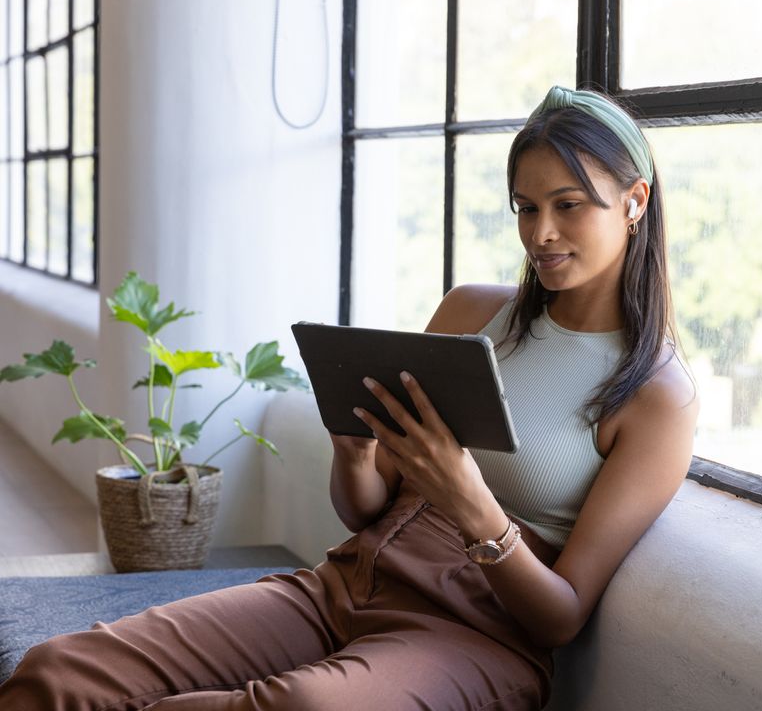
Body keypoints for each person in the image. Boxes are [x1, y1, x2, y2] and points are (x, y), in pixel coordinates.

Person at [0, 85, 699, 710]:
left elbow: (562, 618)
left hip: (476, 639)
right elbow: (364, 509)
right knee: (61, 672)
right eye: (526, 207)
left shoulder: (657, 397)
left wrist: (471, 505)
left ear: (635, 202)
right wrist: (357, 456)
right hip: (346, 585)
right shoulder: (470, 314)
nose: (540, 233)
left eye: (568, 206)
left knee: (305, 707)